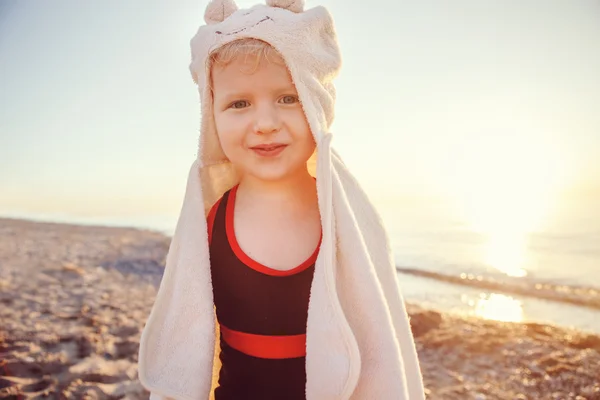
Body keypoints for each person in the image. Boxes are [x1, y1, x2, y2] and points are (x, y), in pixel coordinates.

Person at [138, 1, 425, 399]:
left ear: (317, 101)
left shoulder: (345, 219)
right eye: (239, 104)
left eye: (288, 98)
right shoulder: (210, 221)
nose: (266, 123)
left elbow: (379, 337)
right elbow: (188, 335)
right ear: (211, 117)